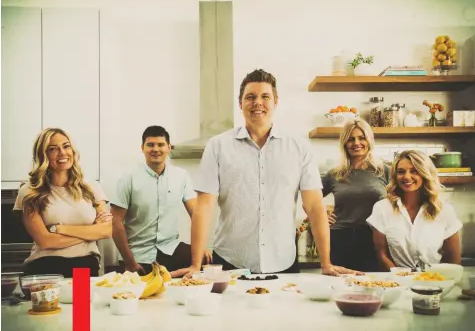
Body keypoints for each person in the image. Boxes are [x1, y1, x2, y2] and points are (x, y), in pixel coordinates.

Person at [175, 69, 361, 277]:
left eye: (265, 96)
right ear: (240, 103)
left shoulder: (299, 147)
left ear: (276, 101)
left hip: (284, 262)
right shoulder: (217, 146)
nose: (258, 103)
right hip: (230, 261)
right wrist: (194, 264)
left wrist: (326, 262)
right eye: (250, 97)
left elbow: (314, 206)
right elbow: (204, 207)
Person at [110, 126, 211, 276]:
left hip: (170, 249)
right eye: (150, 145)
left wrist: (201, 247)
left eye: (160, 144)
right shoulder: (128, 179)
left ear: (169, 148)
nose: (155, 149)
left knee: (208, 262)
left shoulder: (181, 176)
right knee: (145, 295)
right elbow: (115, 222)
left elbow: (197, 214)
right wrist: (130, 262)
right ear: (142, 148)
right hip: (138, 254)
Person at [13, 128, 112, 278]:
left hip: (84, 266)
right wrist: (91, 232)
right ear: (43, 155)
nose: (62, 153)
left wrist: (59, 228)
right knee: (46, 303)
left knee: (81, 302)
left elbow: (106, 231)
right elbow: (45, 241)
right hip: (43, 266)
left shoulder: (91, 187)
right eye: (53, 149)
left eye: (66, 146)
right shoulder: (29, 191)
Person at [367, 150, 462, 270]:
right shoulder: (382, 208)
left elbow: (453, 259)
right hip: (398, 282)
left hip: (435, 282)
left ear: (425, 173)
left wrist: (436, 280)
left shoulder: (444, 210)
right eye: (401, 172)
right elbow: (382, 255)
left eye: (414, 171)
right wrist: (403, 279)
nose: (406, 177)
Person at [322, 120, 390, 272]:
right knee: (340, 290)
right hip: (340, 240)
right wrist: (321, 215)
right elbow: (310, 197)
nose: (356, 143)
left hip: (374, 240)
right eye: (351, 139)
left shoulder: (384, 171)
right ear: (344, 143)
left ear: (369, 140)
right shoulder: (335, 174)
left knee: (374, 289)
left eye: (361, 138)